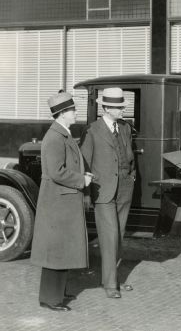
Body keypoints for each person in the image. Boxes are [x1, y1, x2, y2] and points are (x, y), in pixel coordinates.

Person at [30, 91, 93, 312]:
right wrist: (81, 180)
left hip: (63, 201)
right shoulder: (55, 137)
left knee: (61, 250)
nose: (76, 112)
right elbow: (56, 172)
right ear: (63, 113)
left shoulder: (62, 134)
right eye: (73, 109)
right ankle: (50, 299)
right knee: (55, 251)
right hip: (58, 202)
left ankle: (57, 293)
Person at [80, 87, 136, 299]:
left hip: (124, 187)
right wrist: (86, 194)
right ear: (106, 108)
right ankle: (110, 284)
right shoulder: (91, 130)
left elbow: (130, 156)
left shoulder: (125, 128)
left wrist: (131, 177)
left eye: (122, 107)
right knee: (110, 235)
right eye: (119, 107)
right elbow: (84, 164)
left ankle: (116, 279)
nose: (123, 110)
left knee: (119, 236)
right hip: (102, 190)